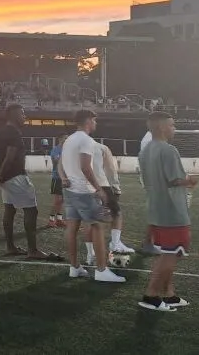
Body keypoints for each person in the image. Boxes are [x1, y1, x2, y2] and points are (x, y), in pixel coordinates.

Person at [137, 112, 195, 311]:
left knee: (167, 253)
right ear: (162, 127)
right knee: (171, 255)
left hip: (156, 209)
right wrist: (190, 180)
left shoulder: (145, 151)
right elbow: (175, 180)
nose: (174, 129)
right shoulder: (169, 150)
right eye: (172, 125)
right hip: (172, 211)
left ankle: (169, 295)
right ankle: (151, 295)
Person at [60, 110, 125, 283]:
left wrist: (66, 178)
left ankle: (74, 268)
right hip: (84, 191)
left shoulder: (69, 139)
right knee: (97, 226)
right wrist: (99, 189)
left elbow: (63, 164)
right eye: (94, 120)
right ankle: (102, 270)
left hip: (70, 190)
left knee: (72, 228)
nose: (96, 123)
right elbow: (85, 167)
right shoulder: (86, 140)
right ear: (89, 121)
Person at [0, 104, 60, 261]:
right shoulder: (14, 133)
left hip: (6, 178)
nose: (24, 116)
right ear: (14, 116)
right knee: (31, 211)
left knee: (9, 210)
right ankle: (32, 250)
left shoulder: (1, 132)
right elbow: (10, 157)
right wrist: (0, 175)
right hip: (16, 177)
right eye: (22, 113)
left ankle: (10, 247)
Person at [48, 135, 67, 228]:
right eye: (65, 138)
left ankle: (59, 219)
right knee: (57, 200)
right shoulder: (56, 149)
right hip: (57, 178)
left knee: (62, 200)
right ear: (60, 139)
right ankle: (51, 220)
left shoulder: (67, 149)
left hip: (65, 178)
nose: (66, 140)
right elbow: (55, 162)